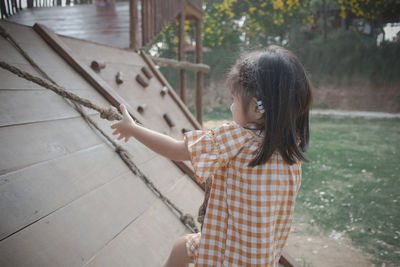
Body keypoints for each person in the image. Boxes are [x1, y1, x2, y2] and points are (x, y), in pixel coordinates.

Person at [111, 45, 312, 267]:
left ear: (256, 109)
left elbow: (175, 150)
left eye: (234, 100)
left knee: (182, 248)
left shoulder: (237, 138)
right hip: (260, 257)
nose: (231, 106)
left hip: (226, 253)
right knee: (183, 248)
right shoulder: (291, 151)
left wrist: (132, 128)